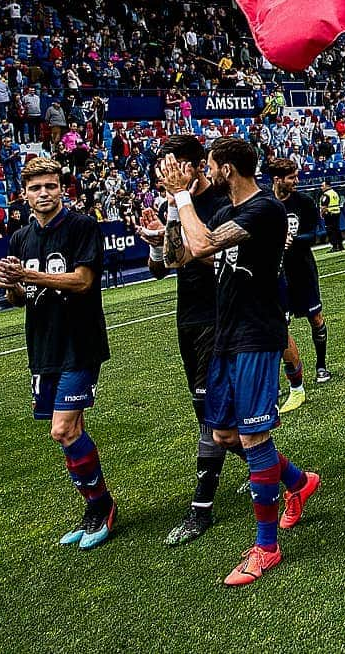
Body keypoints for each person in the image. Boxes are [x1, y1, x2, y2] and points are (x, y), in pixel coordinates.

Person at [159, 137, 320, 585]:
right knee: (224, 433)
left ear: (227, 169)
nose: (205, 173)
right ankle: (299, 481)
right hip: (226, 335)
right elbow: (180, 256)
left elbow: (206, 243)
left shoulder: (264, 209)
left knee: (252, 438)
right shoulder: (226, 212)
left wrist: (181, 195)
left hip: (256, 334)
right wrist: (173, 213)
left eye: (210, 166)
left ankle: (266, 548)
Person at [0, 157, 115, 548]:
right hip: (42, 347)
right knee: (70, 434)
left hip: (80, 342)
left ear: (62, 189)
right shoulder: (21, 239)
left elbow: (83, 281)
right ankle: (94, 506)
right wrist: (8, 284)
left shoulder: (82, 226)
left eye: (51, 186)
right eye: (37, 188)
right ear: (24, 194)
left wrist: (29, 275)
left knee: (64, 429)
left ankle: (102, 507)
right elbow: (21, 298)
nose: (45, 194)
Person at [138, 134, 240, 546]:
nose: (166, 174)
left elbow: (209, 251)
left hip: (220, 317)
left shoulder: (221, 202)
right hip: (188, 318)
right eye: (162, 167)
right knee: (211, 418)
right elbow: (163, 266)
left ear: (198, 166)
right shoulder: (175, 202)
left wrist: (179, 209)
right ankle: (271, 469)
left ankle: (201, 509)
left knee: (210, 413)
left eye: (174, 166)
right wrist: (156, 241)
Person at [268, 158, 331, 403]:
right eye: (292, 177)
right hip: (277, 272)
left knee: (315, 318)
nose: (296, 181)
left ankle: (321, 365)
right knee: (280, 326)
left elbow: (313, 234)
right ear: (277, 179)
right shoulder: (267, 203)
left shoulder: (303, 202)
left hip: (302, 269)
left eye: (296, 177)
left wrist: (293, 240)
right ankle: (284, 382)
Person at [319, 181, 343, 251]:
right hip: (337, 213)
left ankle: (335, 246)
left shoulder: (326, 195)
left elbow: (324, 206)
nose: (321, 188)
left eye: (322, 186)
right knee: (337, 229)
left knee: (330, 230)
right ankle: (340, 245)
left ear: (327, 186)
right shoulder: (335, 193)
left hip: (329, 214)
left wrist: (322, 214)